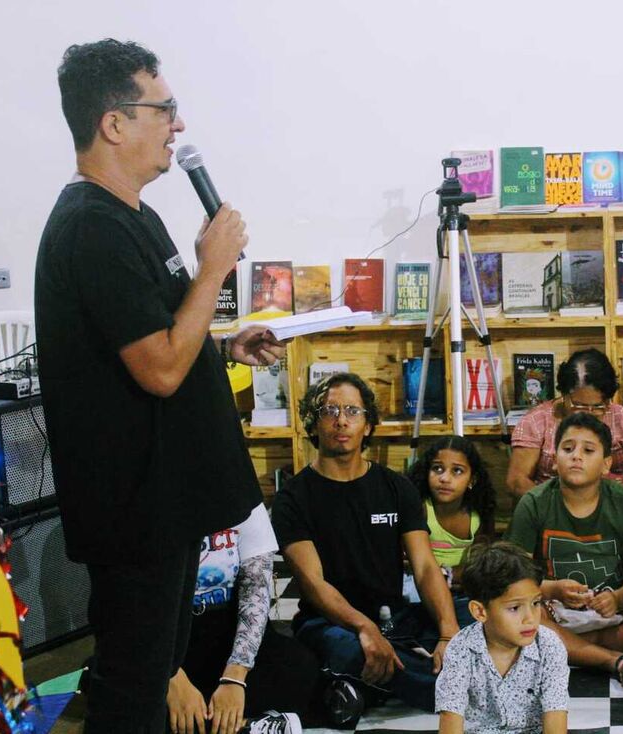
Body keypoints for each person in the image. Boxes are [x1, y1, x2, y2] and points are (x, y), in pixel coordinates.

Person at [35, 39, 284, 732]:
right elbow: (160, 369)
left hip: (164, 503)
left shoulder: (133, 217)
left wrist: (224, 344)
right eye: (164, 108)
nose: (178, 125)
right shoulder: (91, 227)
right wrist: (213, 269)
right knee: (133, 687)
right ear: (114, 123)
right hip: (132, 506)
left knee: (156, 661)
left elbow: (159, 339)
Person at [270, 373, 464, 716]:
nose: (341, 420)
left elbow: (424, 567)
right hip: (331, 623)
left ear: (369, 425)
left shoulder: (396, 487)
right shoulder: (292, 498)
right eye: (329, 410)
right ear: (314, 425)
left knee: (474, 613)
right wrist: (365, 627)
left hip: (395, 616)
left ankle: (369, 682)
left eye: (352, 411)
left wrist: (449, 634)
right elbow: (314, 585)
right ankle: (455, 691)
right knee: (349, 649)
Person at [506, 412, 623, 693]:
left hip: (610, 609)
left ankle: (574, 648)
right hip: (552, 607)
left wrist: (618, 598)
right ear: (555, 459)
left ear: (606, 464)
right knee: (525, 624)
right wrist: (553, 589)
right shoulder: (534, 503)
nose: (576, 456)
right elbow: (513, 578)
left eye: (588, 450)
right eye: (567, 449)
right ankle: (613, 660)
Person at [167, 504, 318, 734]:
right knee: (125, 692)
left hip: (227, 631)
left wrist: (235, 678)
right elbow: (128, 603)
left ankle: (209, 724)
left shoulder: (244, 500)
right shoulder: (143, 496)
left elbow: (256, 591)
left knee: (300, 668)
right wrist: (170, 677)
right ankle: (246, 727)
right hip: (165, 637)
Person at [435, 540, 569, 734]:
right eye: (515, 608)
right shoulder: (460, 649)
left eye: (535, 603)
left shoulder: (549, 646)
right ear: (480, 611)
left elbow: (556, 716)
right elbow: (450, 718)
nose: (530, 618)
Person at [507, 348, 623, 502]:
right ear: (564, 394)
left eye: (598, 406)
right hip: (552, 509)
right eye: (579, 406)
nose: (588, 413)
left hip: (615, 509)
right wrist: (551, 510)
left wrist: (622, 508)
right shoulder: (536, 421)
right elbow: (516, 481)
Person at [406, 435, 496, 591]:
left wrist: (449, 575)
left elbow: (480, 565)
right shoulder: (419, 508)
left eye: (457, 471)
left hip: (464, 592)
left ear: (472, 480)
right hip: (418, 590)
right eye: (437, 468)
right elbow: (409, 562)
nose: (445, 478)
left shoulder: (479, 514)